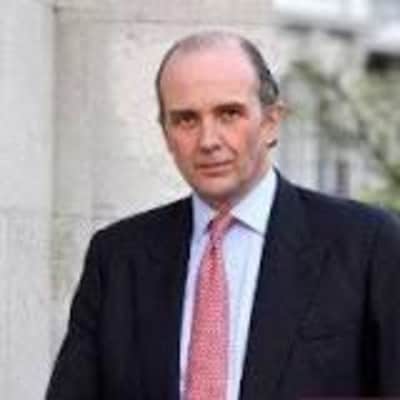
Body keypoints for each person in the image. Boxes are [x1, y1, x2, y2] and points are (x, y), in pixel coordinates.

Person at [46, 31, 400, 400]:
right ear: (166, 135)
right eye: (186, 120)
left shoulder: (367, 245)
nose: (208, 140)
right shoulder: (117, 257)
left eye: (229, 114)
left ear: (271, 121)